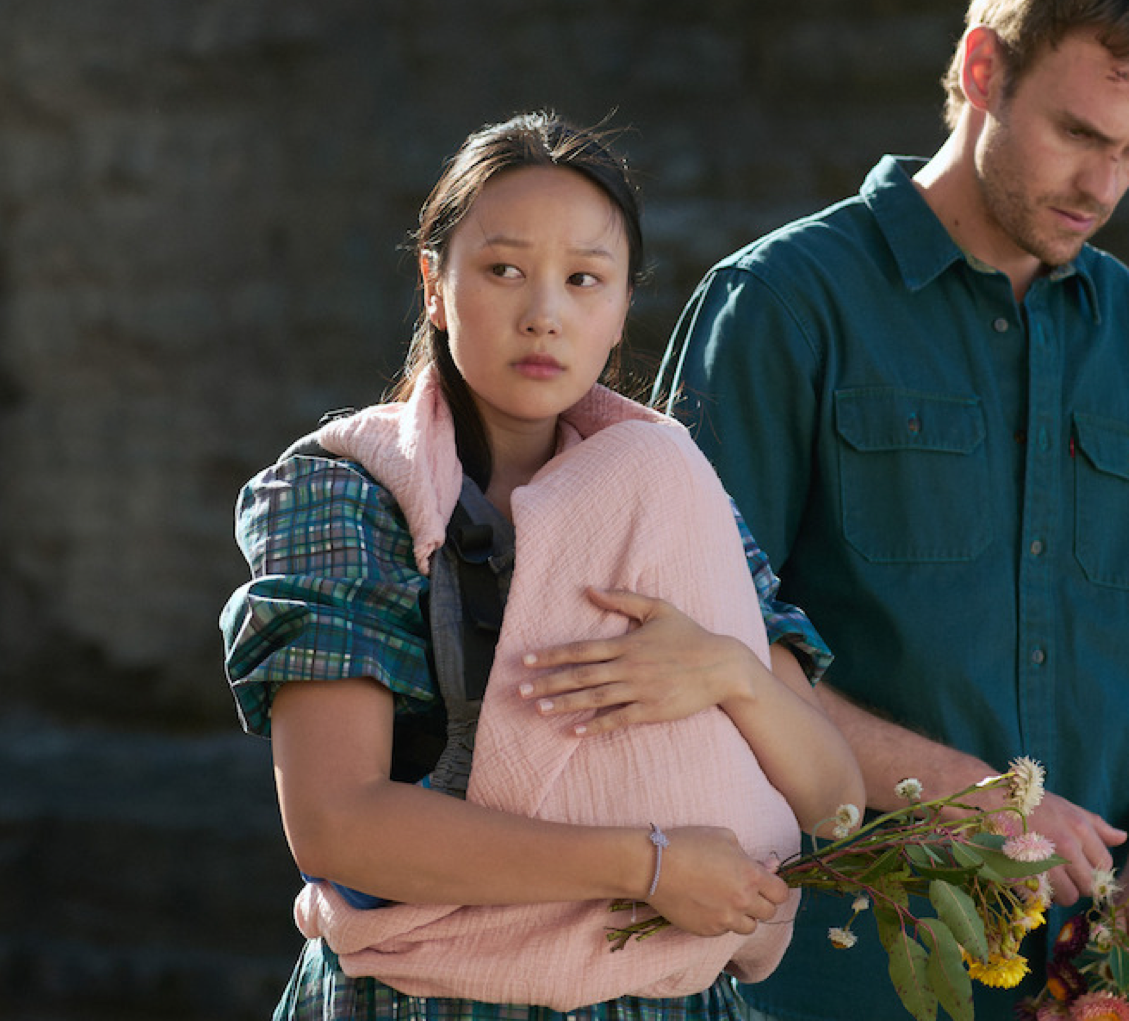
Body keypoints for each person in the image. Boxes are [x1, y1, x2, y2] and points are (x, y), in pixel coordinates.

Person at [652, 0, 1129, 1021]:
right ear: (982, 70)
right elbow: (696, 653)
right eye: (1077, 136)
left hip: (1078, 985)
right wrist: (976, 802)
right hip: (817, 974)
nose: (1102, 189)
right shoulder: (779, 307)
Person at [220, 110, 865, 1020]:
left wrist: (729, 673)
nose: (544, 313)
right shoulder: (350, 495)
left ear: (621, 308)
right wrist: (647, 864)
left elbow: (833, 802)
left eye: (583, 281)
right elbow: (335, 823)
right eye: (503, 270)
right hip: (430, 997)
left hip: (661, 998)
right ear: (434, 286)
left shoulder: (672, 490)